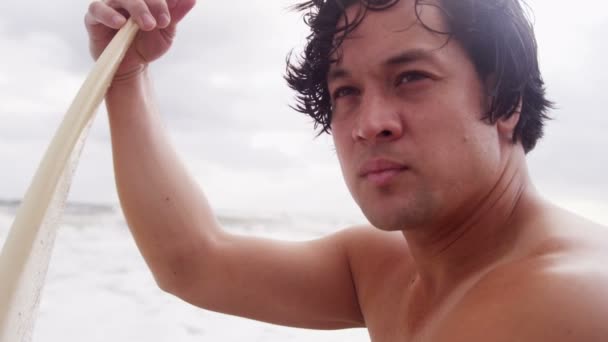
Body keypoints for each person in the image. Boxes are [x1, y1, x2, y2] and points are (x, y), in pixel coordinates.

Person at [85, 0, 608, 340]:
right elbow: (193, 263)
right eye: (347, 92)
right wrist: (126, 74)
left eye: (411, 77)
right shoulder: (389, 269)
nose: (370, 124)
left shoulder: (566, 301)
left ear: (506, 99)